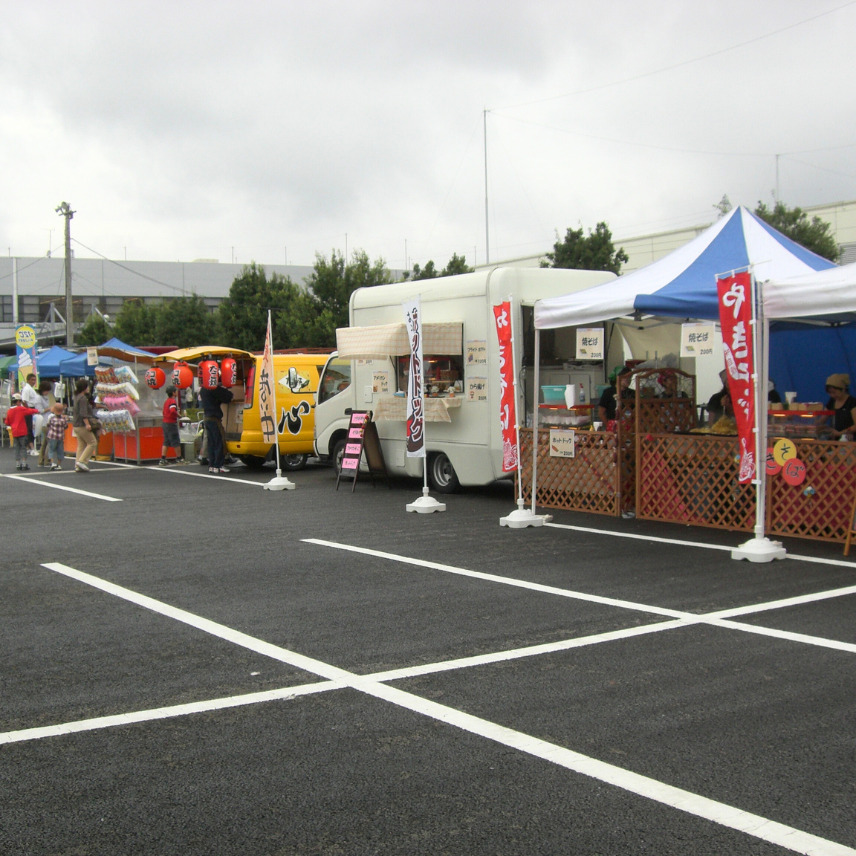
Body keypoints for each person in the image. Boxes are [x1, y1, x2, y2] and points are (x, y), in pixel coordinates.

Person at [199, 381, 233, 473]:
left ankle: (212, 465)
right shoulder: (213, 388)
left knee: (211, 443)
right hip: (215, 418)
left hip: (207, 417)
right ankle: (219, 465)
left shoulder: (203, 389)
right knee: (219, 441)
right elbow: (228, 397)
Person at [4, 393, 40, 470]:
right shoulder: (20, 409)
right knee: (23, 447)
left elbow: (7, 422)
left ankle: (17, 464)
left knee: (17, 448)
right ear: (18, 401)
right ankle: (24, 464)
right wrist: (37, 410)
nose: (20, 403)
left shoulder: (9, 411)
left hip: (14, 431)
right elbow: (29, 411)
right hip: (22, 431)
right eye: (20, 401)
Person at [72, 378, 98, 473]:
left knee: (81, 445)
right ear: (84, 388)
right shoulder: (83, 398)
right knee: (92, 442)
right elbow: (83, 413)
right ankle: (82, 461)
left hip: (76, 424)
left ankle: (78, 464)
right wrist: (87, 424)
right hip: (82, 424)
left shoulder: (76, 396)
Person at [823, 373, 856, 440]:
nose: (832, 395)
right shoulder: (832, 402)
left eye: (834, 392)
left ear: (843, 390)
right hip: (833, 440)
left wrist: (840, 433)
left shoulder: (852, 403)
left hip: (849, 441)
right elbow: (823, 418)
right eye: (830, 393)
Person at [159, 385, 185, 466]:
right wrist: (179, 416)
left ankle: (163, 459)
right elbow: (173, 411)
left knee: (166, 441)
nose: (177, 392)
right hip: (171, 423)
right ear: (173, 392)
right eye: (175, 391)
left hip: (165, 422)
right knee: (176, 441)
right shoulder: (173, 401)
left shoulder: (167, 401)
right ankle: (179, 458)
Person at [45, 401, 70, 471]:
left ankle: (52, 463)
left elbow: (48, 425)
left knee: (51, 450)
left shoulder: (52, 418)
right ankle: (58, 464)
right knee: (60, 450)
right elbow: (66, 426)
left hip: (52, 436)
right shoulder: (63, 419)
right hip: (60, 437)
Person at [34, 379, 53, 467]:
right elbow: (39, 410)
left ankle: (41, 460)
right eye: (46, 390)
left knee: (45, 442)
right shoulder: (38, 398)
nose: (47, 392)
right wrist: (49, 409)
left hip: (47, 420)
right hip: (44, 422)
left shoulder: (45, 397)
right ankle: (47, 460)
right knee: (49, 442)